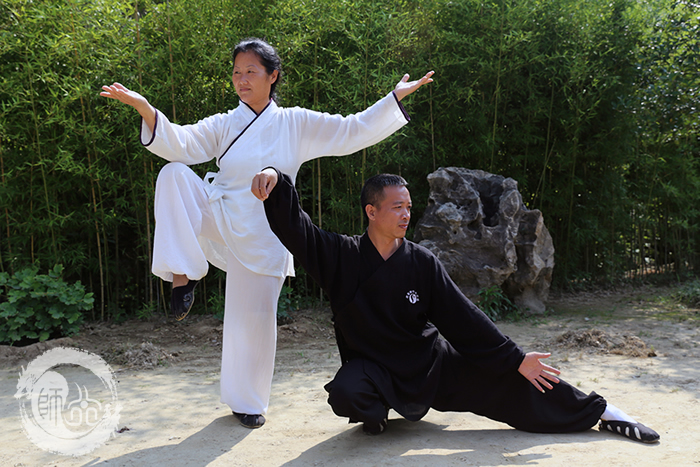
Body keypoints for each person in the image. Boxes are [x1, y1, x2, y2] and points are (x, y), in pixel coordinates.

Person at [100, 37, 434, 429]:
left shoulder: (296, 123)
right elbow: (183, 143)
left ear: (272, 76)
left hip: (265, 234)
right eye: (236, 72)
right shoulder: (225, 123)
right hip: (220, 215)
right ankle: (183, 273)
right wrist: (145, 108)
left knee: (253, 322)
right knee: (173, 173)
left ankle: (247, 403)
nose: (241, 80)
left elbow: (351, 129)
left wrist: (393, 99)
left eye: (250, 72)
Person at [251, 167, 660, 443]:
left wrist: (516, 358)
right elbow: (296, 228)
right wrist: (275, 177)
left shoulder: (421, 262)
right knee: (346, 392)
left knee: (509, 380)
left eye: (409, 206)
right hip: (373, 368)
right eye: (397, 207)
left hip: (429, 364)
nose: (406, 214)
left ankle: (604, 413)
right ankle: (377, 413)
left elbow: (463, 318)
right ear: (371, 211)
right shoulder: (340, 255)